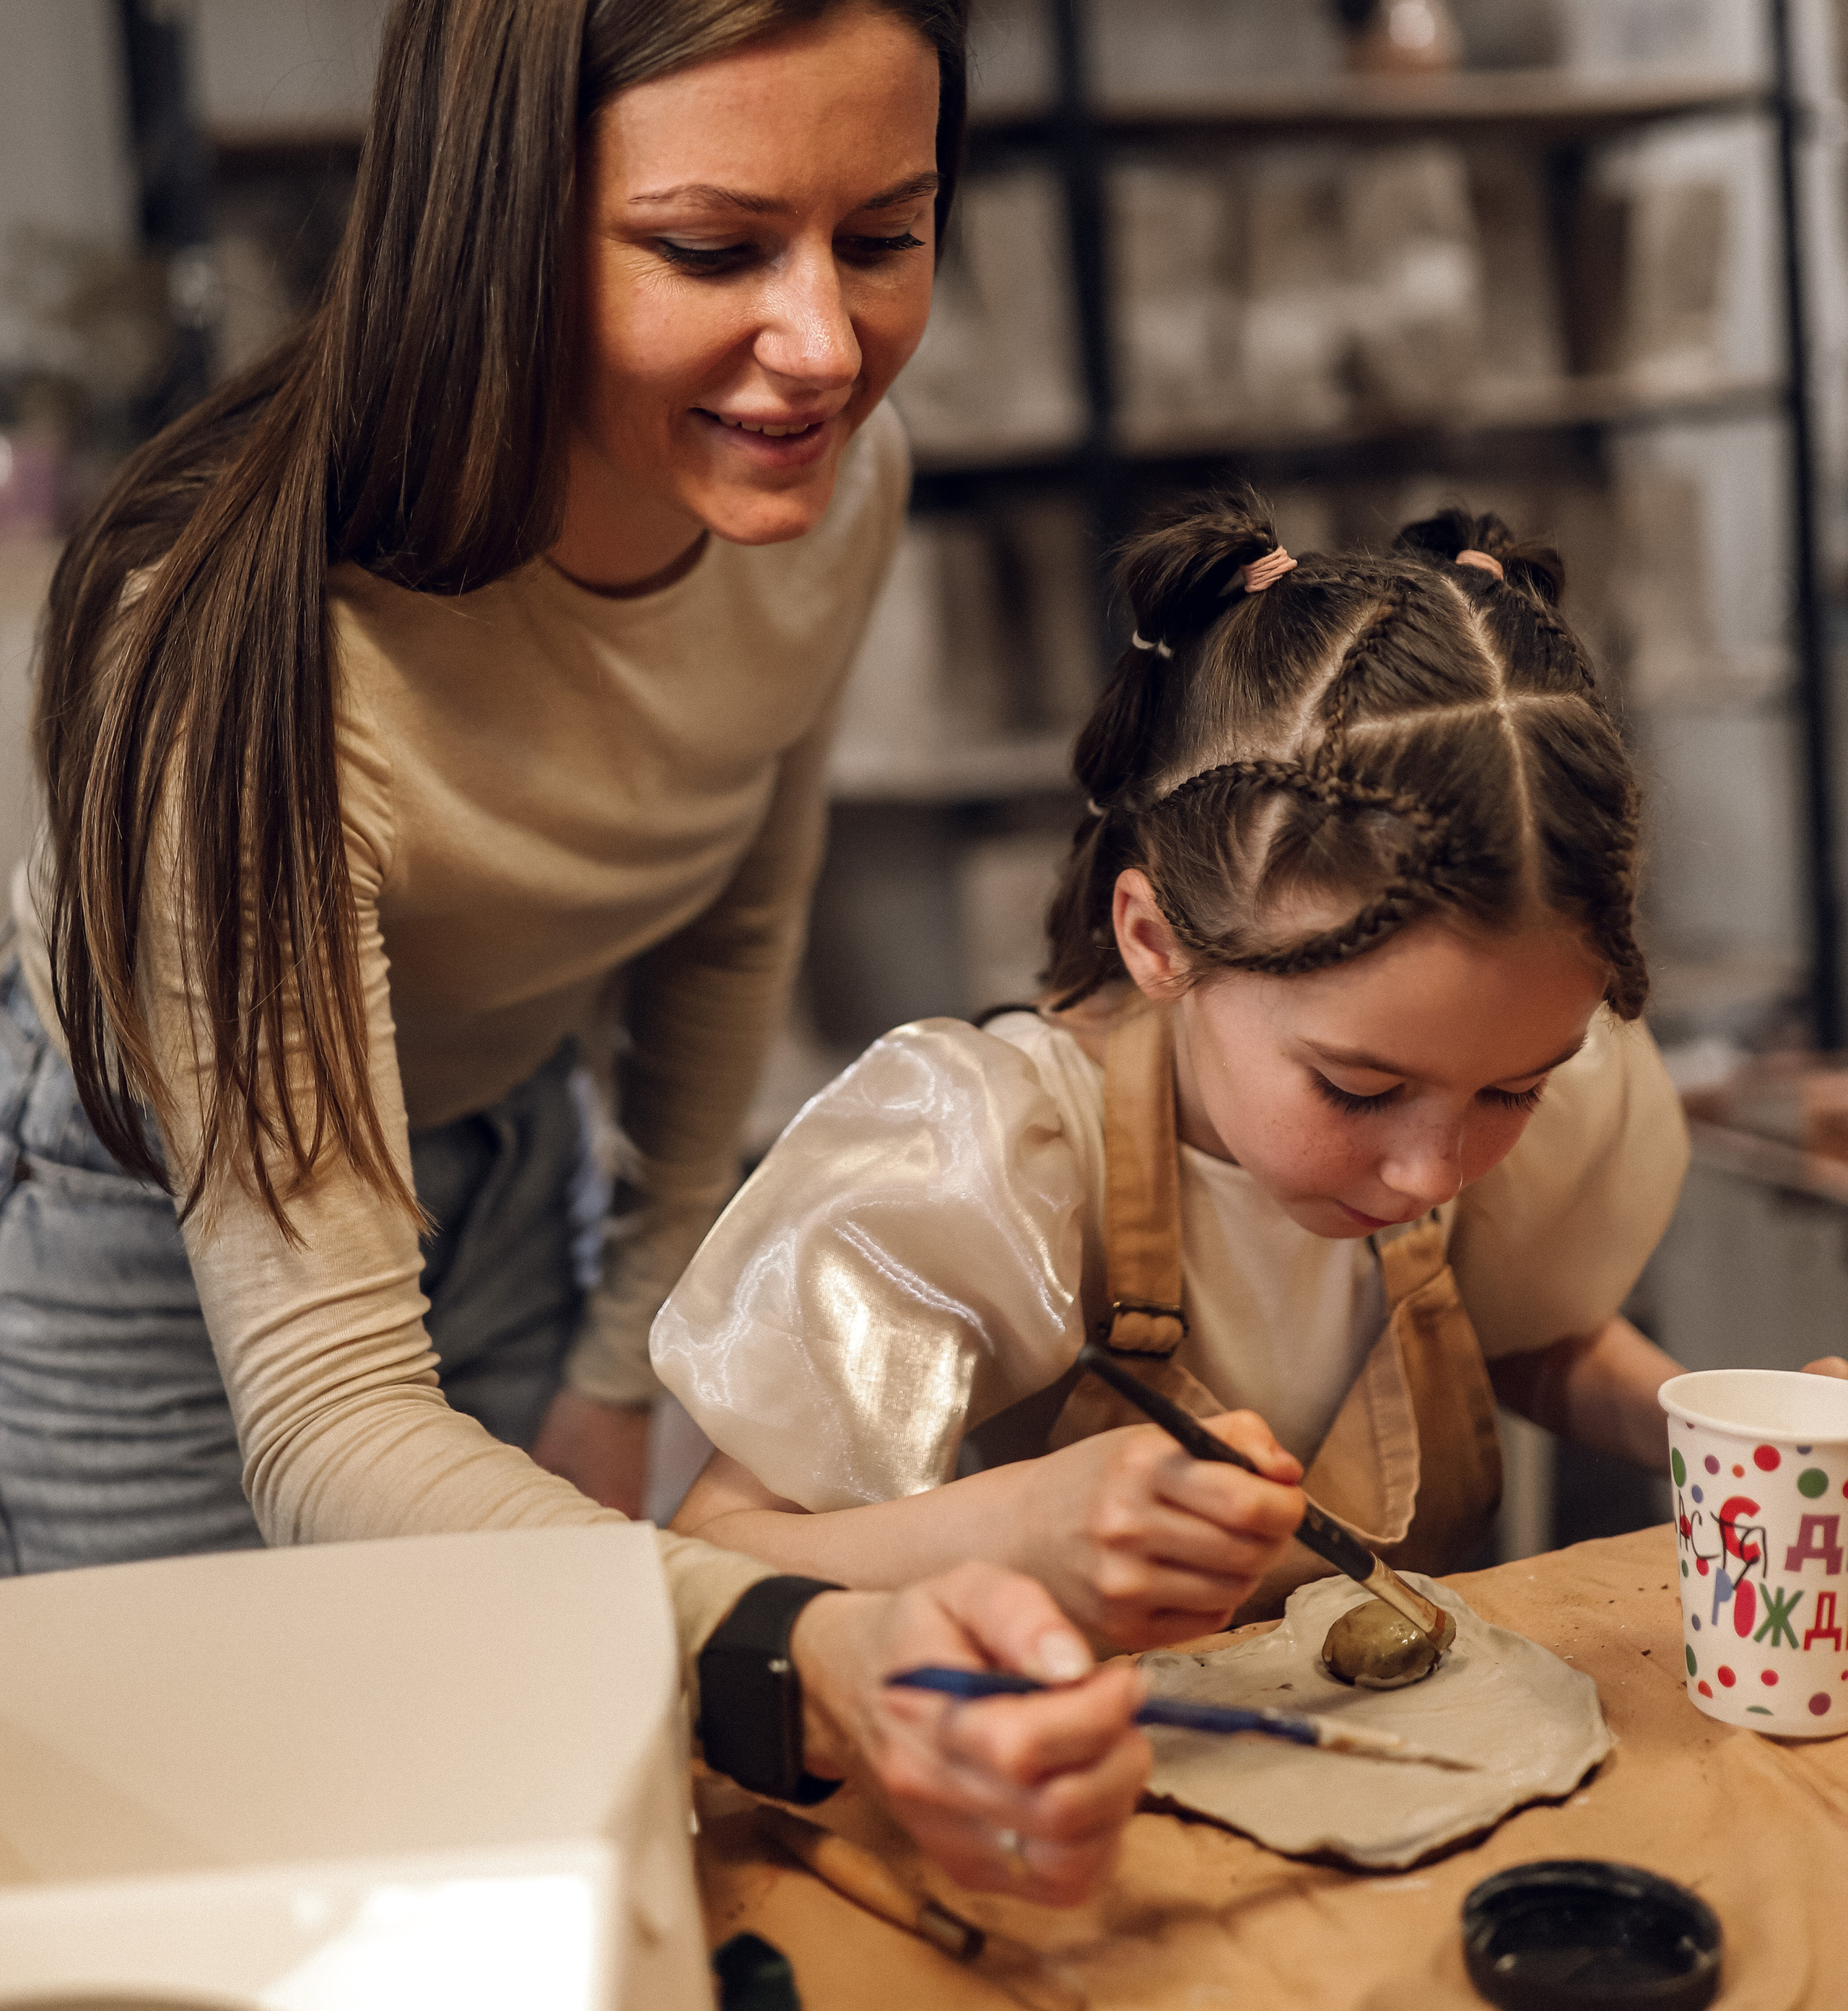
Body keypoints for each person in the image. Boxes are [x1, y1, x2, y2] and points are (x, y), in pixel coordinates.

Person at [0, 0, 1149, 1900]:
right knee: (201, 1861)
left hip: (508, 1144)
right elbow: (336, 1423)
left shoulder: (834, 490)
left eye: (882, 236)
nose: (819, 342)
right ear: (493, 208)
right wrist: (814, 1640)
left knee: (511, 1813)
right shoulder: (229, 652)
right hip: (156, 1221)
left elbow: (727, 912)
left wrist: (632, 1354)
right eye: (712, 246)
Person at [658, 492, 1848, 1649]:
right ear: (1157, 941)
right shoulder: (992, 1155)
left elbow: (1521, 1334)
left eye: (1513, 1093)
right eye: (1358, 1091)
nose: (1433, 1171)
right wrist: (1012, 1526)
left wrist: (1725, 1436)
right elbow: (704, 1557)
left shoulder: (1472, 1080)